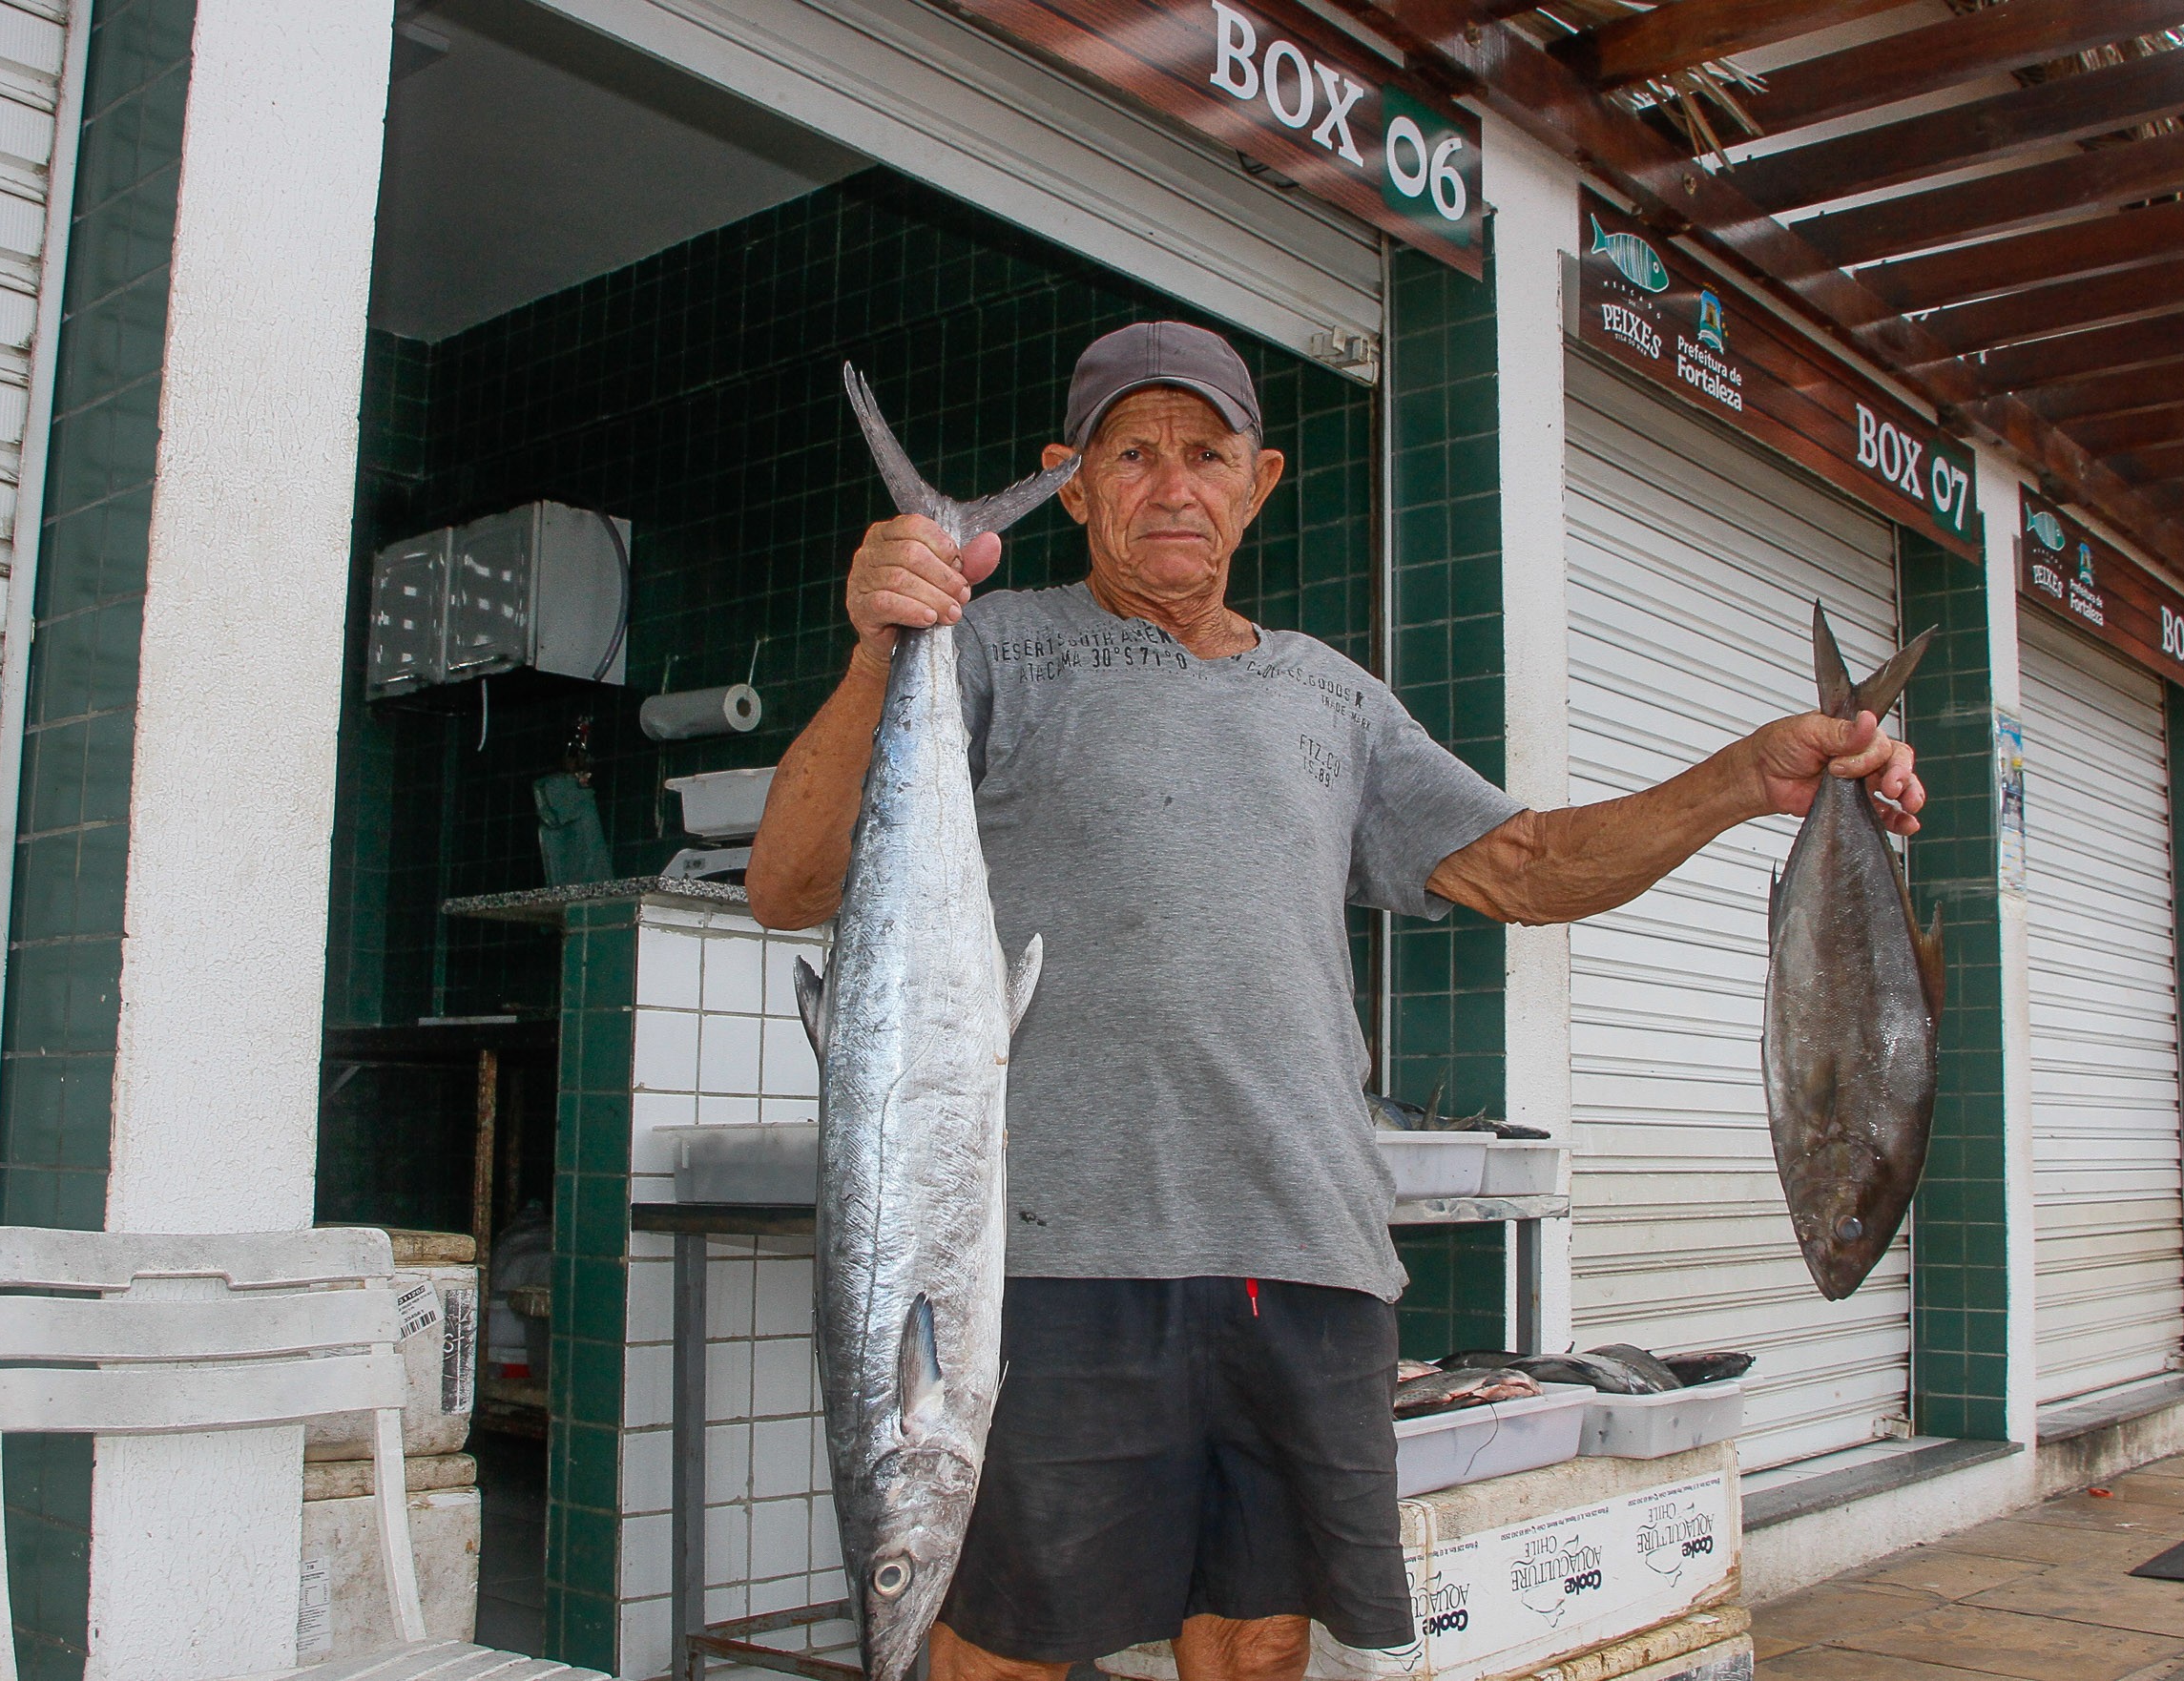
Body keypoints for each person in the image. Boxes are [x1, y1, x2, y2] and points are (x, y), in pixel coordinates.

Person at [746, 322, 1923, 1681]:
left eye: (1209, 454)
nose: (1173, 484)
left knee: (1254, 1646)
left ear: (1262, 481)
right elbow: (792, 879)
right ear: (1070, 484)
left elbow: (1529, 865)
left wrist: (1747, 778)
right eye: (1134, 454)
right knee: (1002, 1650)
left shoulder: (1335, 700)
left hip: (1303, 1256)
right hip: (1046, 1265)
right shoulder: (993, 649)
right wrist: (879, 645)